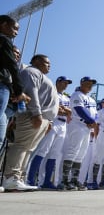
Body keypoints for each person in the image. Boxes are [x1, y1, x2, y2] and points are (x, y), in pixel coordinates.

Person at [2, 54, 59, 192]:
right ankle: (11, 177)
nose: (49, 65)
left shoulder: (41, 75)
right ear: (36, 61)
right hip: (32, 116)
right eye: (46, 62)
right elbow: (31, 92)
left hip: (42, 118)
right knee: (21, 146)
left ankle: (19, 178)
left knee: (28, 149)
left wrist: (48, 120)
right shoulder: (31, 71)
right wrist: (36, 114)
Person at [26, 76, 72, 189]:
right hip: (52, 122)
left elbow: (70, 112)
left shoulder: (66, 98)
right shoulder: (52, 92)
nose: (66, 85)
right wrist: (61, 109)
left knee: (55, 154)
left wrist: (63, 110)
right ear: (58, 82)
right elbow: (53, 108)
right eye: (64, 82)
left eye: (67, 83)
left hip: (63, 125)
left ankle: (47, 181)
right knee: (42, 151)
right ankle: (30, 180)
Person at [58, 77, 98, 191]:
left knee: (81, 154)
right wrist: (91, 121)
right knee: (72, 151)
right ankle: (64, 181)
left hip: (87, 127)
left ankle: (74, 180)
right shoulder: (77, 94)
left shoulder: (92, 99)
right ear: (81, 83)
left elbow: (95, 114)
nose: (90, 85)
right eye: (87, 83)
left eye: (91, 84)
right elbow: (80, 110)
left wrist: (92, 121)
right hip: (77, 124)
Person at [0, 15, 29, 151]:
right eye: (14, 28)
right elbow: (12, 65)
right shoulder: (4, 40)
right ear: (4, 25)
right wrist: (19, 91)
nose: (16, 33)